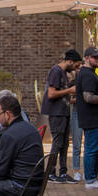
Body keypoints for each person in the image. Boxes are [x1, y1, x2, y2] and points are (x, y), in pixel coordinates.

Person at [40, 49, 81, 182]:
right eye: (76, 65)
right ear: (70, 61)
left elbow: (61, 94)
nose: (77, 68)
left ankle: (63, 172)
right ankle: (51, 172)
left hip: (63, 112)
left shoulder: (62, 73)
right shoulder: (56, 71)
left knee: (64, 143)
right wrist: (70, 90)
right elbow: (51, 94)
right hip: (56, 114)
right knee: (57, 143)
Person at [75, 47, 98, 188]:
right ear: (87, 58)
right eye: (95, 57)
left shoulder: (89, 73)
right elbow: (88, 97)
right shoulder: (87, 75)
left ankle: (92, 176)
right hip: (92, 119)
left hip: (95, 118)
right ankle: (90, 179)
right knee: (93, 149)